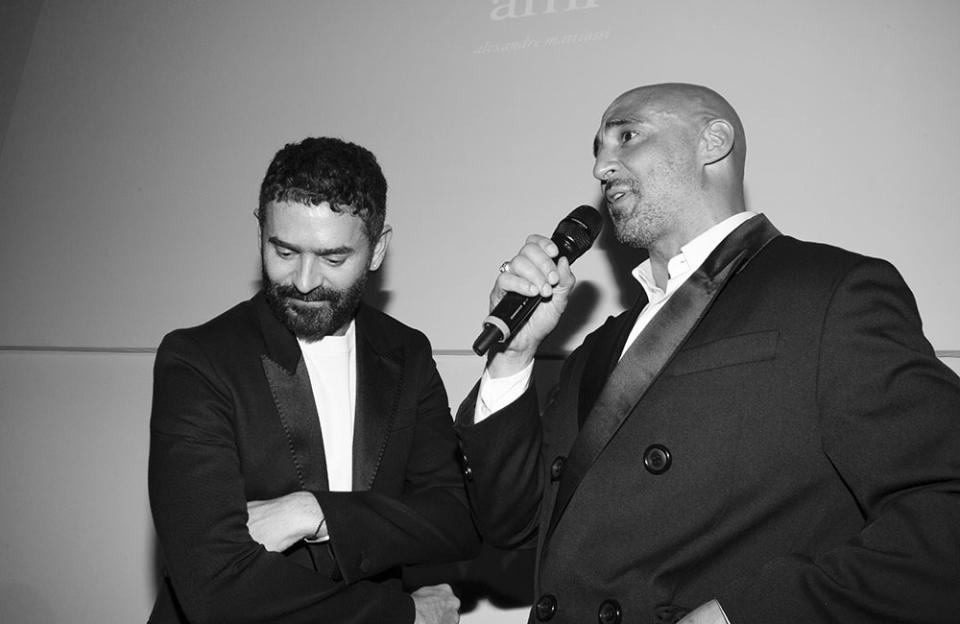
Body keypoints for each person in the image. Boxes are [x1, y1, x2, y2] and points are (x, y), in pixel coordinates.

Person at [454, 83, 960, 623]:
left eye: (627, 136)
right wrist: (513, 357)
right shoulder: (598, 347)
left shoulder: (832, 291)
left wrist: (742, 615)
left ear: (713, 141)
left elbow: (944, 509)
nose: (603, 166)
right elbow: (509, 525)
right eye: (597, 150)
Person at [149, 137, 478, 624]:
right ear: (260, 231)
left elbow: (457, 518)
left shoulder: (406, 353)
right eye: (284, 250)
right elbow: (215, 588)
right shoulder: (198, 360)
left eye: (332, 258)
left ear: (377, 249)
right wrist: (404, 614)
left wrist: (316, 511)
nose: (303, 281)